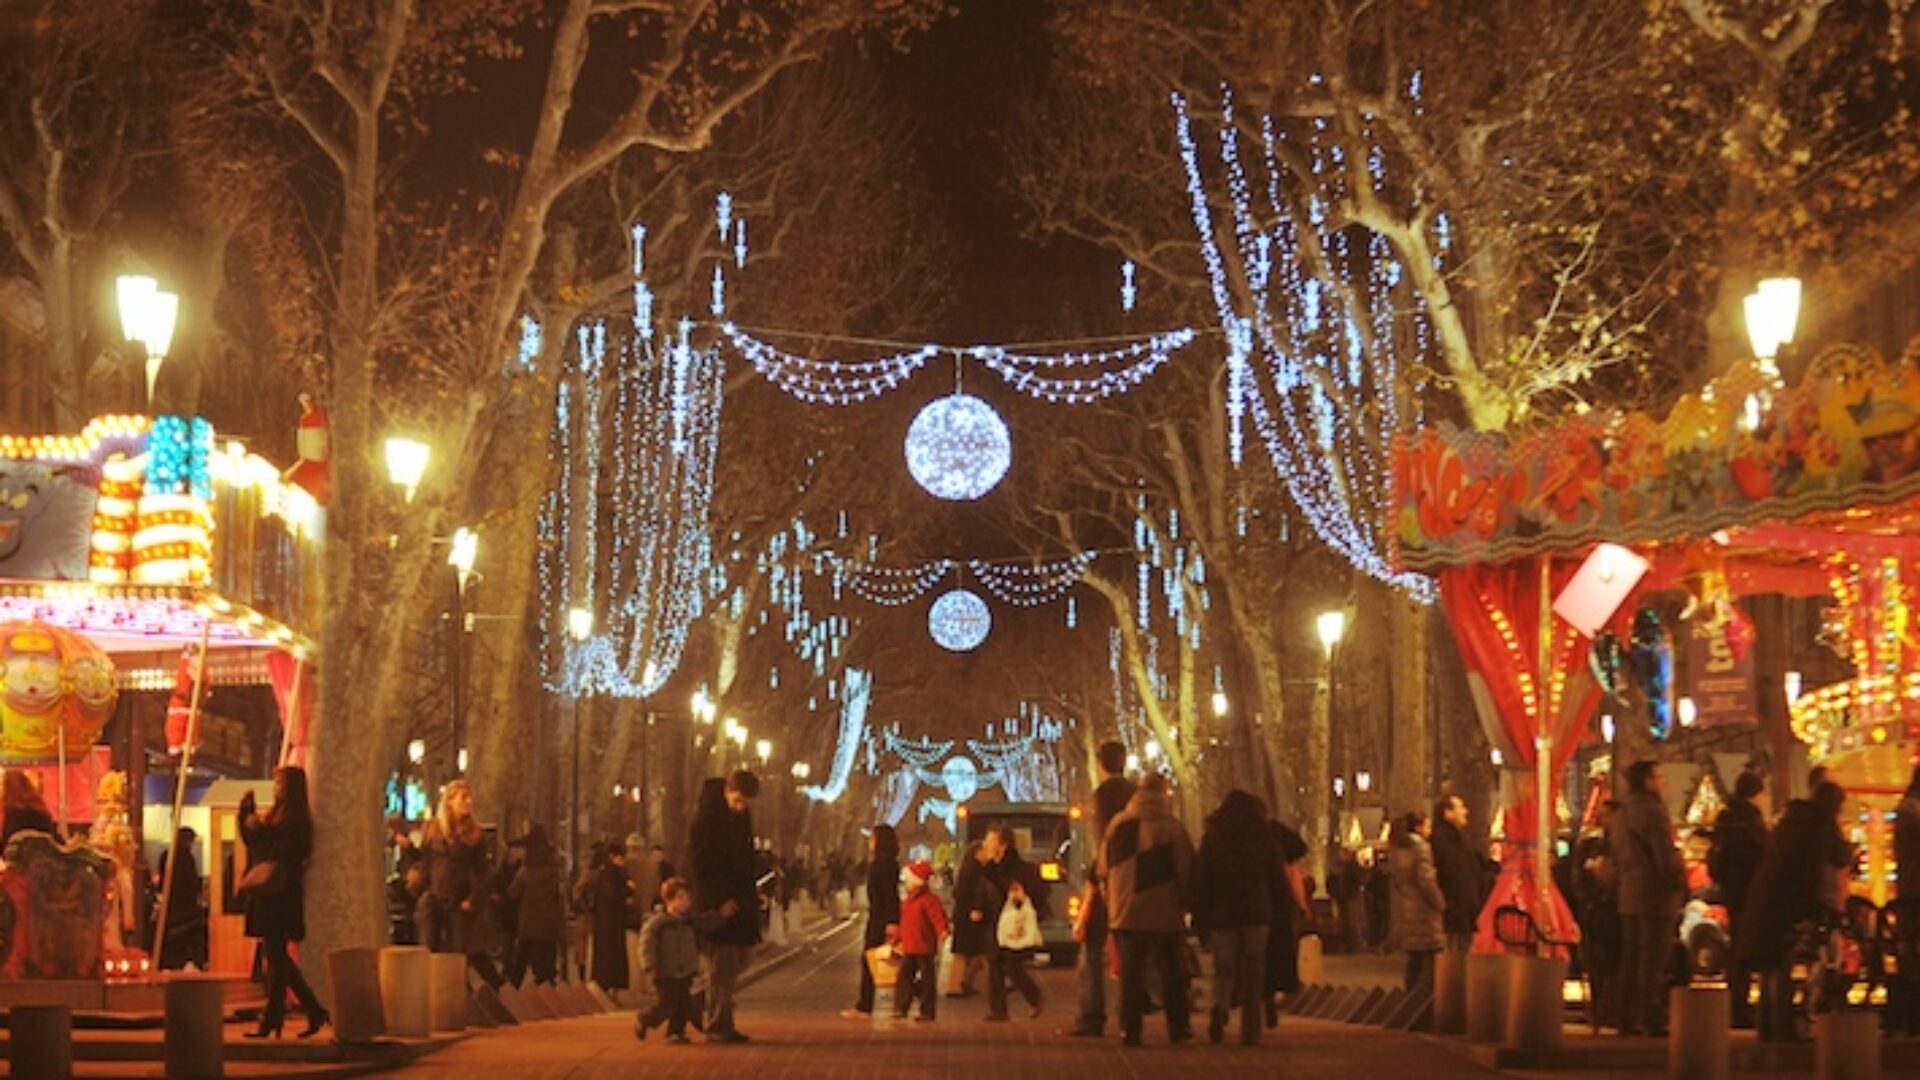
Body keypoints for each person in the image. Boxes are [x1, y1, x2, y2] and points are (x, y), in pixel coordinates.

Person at [1741, 781, 1849, 1042]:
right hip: (1788, 901)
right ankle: (1782, 1028)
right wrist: (1812, 908)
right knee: (1781, 963)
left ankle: (1768, 1027)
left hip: (1767, 897)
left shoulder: (1793, 821)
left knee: (1770, 964)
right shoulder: (1819, 827)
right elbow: (1822, 866)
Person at [1099, 773, 1194, 1048]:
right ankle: (1177, 1027)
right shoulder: (1172, 828)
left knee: (1131, 973)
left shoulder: (1118, 824)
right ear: (1163, 793)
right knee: (1171, 970)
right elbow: (1184, 867)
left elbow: (1103, 866)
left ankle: (1130, 1030)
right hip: (1163, 908)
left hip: (1124, 910)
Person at [238, 767, 329, 1039]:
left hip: (280, 894)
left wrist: (256, 824)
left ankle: (276, 1016)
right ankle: (309, 1010)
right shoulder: (279, 816)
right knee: (276, 956)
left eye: (280, 784)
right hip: (272, 894)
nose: (276, 788)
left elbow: (276, 846)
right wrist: (247, 816)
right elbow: (257, 842)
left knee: (276, 956)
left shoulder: (296, 819)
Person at [1192, 789, 1281, 1045]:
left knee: (1224, 968)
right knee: (1254, 971)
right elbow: (1275, 877)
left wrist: (1201, 915)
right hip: (1256, 913)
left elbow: (1203, 878)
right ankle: (1250, 1029)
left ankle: (1219, 1007)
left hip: (1223, 914)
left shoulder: (1214, 837)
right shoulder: (1264, 837)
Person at [1062, 740, 1136, 1037]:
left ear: (1100, 764)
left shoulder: (1104, 796)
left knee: (1091, 950)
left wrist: (1094, 882)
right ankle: (1140, 1013)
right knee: (1136, 950)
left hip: (1109, 880)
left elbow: (1103, 843)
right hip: (1138, 880)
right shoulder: (1136, 794)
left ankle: (1092, 1014)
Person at [1609, 760, 1685, 1037]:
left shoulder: (1620, 814)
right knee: (1653, 958)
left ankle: (1625, 1015)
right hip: (1653, 894)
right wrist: (1679, 881)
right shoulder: (1652, 813)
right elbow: (1664, 856)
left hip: (1628, 893)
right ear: (1648, 781)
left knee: (1630, 956)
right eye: (1660, 777)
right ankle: (1650, 1016)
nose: (1664, 783)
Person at [690, 770, 760, 1043]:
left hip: (739, 897)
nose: (742, 807)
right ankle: (718, 1023)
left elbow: (743, 856)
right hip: (716, 901)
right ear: (728, 791)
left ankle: (697, 1003)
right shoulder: (708, 817)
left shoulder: (739, 816)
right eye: (739, 801)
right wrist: (719, 901)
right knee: (723, 963)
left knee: (743, 957)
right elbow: (702, 864)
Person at [417, 780, 503, 988]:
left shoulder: (475, 835)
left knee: (458, 955)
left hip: (459, 902)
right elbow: (425, 862)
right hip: (434, 897)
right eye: (463, 798)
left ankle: (460, 996)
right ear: (449, 802)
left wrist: (472, 899)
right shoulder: (433, 829)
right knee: (429, 950)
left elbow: (482, 872)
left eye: (469, 797)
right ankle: (431, 994)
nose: (468, 802)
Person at [1709, 772, 1769, 1028]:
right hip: (1750, 890)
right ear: (1756, 794)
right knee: (1748, 948)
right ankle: (1742, 1006)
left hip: (1731, 888)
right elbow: (1765, 853)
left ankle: (1735, 1002)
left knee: (1737, 946)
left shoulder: (1725, 817)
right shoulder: (1751, 820)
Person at [977, 823, 1049, 1021]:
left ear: (1002, 845)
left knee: (1009, 963)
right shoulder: (989, 868)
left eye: (990, 841)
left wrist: (1022, 896)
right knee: (996, 964)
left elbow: (1039, 892)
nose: (985, 844)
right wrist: (979, 908)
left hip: (1011, 924)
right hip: (994, 922)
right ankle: (999, 1010)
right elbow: (983, 892)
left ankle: (1034, 997)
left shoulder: (1019, 869)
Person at [636, 878, 712, 1043]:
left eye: (687, 898)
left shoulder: (688, 922)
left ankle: (676, 1032)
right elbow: (646, 944)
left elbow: (699, 937)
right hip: (665, 970)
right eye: (680, 898)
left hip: (685, 969)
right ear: (669, 899)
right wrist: (650, 965)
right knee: (666, 1003)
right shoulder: (658, 923)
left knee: (683, 1003)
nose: (685, 903)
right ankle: (645, 1019)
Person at [841, 824, 901, 1019]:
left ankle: (865, 1005)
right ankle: (902, 1000)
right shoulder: (888, 863)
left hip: (880, 919)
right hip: (880, 917)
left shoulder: (882, 865)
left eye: (872, 838)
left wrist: (891, 921)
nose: (870, 842)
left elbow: (888, 894)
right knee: (884, 960)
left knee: (871, 959)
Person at [1387, 810, 1446, 991]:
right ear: (1419, 827)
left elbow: (1397, 879)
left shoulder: (1397, 849)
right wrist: (1440, 903)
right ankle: (1424, 998)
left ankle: (1411, 995)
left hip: (1407, 906)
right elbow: (1425, 880)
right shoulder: (1421, 848)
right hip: (1424, 909)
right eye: (1427, 826)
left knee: (1414, 956)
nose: (1430, 830)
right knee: (1430, 956)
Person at [1263, 818, 1311, 1025]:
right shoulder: (1279, 850)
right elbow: (1293, 881)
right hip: (1277, 909)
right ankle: (1268, 997)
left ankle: (1227, 1001)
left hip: (1242, 911)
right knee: (1274, 953)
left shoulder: (1235, 841)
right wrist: (1302, 906)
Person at [506, 824, 564, 986]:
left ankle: (512, 989)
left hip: (529, 921)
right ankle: (547, 986)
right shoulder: (553, 870)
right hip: (549, 922)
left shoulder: (526, 871)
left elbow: (513, 892)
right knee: (546, 960)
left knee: (521, 959)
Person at [893, 859, 950, 1022]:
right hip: (910, 947)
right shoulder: (908, 902)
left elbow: (938, 918)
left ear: (917, 882)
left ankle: (926, 1009)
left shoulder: (928, 900)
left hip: (924, 947)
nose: (906, 884)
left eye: (908, 881)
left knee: (926, 979)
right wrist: (896, 940)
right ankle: (902, 1006)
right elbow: (903, 924)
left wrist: (943, 931)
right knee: (905, 977)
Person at [1430, 794, 1485, 953]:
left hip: (1460, 908)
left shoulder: (1455, 840)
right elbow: (1453, 876)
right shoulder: (1444, 841)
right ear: (1447, 813)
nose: (1465, 811)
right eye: (1460, 807)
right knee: (1455, 951)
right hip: (1455, 909)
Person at [155, 826, 208, 970]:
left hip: (170, 904)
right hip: (185, 907)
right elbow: (190, 882)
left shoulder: (166, 855)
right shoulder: (186, 856)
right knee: (185, 936)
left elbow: (163, 881)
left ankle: (170, 961)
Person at [592, 839, 636, 995]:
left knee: (608, 957)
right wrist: (627, 891)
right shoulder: (611, 874)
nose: (623, 861)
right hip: (610, 922)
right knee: (611, 957)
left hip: (607, 922)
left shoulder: (607, 873)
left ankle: (607, 986)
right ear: (613, 857)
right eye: (621, 858)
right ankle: (608, 986)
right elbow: (613, 895)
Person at [949, 839, 989, 997]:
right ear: (978, 852)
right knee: (968, 953)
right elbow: (970, 892)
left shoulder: (970, 868)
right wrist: (976, 908)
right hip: (969, 917)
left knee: (969, 953)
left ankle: (963, 984)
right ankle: (958, 985)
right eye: (985, 850)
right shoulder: (974, 869)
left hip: (965, 916)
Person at [1, 770, 58, 846]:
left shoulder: (16, 813)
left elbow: (9, 844)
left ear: (10, 787)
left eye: (1, 785)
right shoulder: (36, 807)